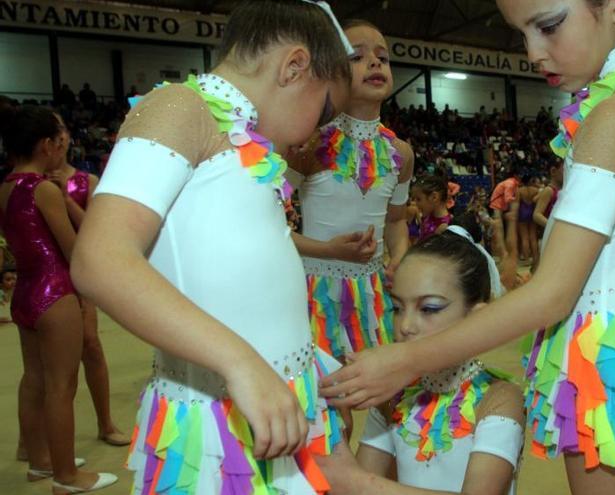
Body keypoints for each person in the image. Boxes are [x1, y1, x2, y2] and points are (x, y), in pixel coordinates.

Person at [322, 1, 615, 493]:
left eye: (549, 25)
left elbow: (552, 294)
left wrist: (407, 360)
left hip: (608, 342)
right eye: (522, 33)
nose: (532, 52)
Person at [70, 1, 355, 493]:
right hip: (218, 413)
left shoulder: (244, 137)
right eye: (326, 109)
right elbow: (100, 260)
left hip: (268, 397)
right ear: (294, 67)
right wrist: (242, 364)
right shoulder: (181, 106)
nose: (321, 129)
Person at [319, 231, 524, 494]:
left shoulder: (499, 399)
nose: (405, 326)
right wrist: (339, 433)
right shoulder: (392, 396)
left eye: (429, 309)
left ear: (477, 320)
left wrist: (356, 482)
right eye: (397, 308)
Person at [0, 106, 117, 493]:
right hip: (55, 292)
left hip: (25, 294)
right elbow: (74, 247)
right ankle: (67, 475)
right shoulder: (45, 189)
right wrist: (68, 204)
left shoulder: (6, 187)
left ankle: (40, 462)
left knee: (33, 379)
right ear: (47, 145)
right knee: (61, 386)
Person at [289, 19, 414, 360]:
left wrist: (399, 256)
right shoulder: (308, 143)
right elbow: (267, 226)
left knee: (388, 390)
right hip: (317, 293)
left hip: (374, 292)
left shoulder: (400, 153)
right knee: (332, 397)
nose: (375, 63)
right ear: (332, 71)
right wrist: (328, 251)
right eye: (357, 57)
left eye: (383, 58)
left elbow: (395, 222)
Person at [47, 159, 130, 447]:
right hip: (48, 271)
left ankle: (105, 423)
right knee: (47, 364)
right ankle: (35, 441)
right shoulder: (34, 184)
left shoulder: (87, 181)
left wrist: (66, 199)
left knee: (91, 345)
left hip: (78, 266)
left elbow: (94, 227)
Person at [489, 167, 521, 288]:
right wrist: (515, 200)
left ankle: (503, 254)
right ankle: (502, 253)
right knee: (499, 229)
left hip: (498, 204)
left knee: (500, 229)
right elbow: (508, 197)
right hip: (497, 204)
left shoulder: (511, 182)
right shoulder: (511, 183)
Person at [412, 175, 452, 241]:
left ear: (434, 197)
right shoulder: (427, 217)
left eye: (418, 199)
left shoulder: (445, 227)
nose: (415, 203)